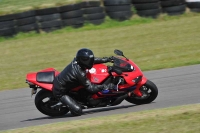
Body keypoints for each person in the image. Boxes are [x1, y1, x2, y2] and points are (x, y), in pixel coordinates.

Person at [52, 48, 115, 116]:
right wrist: (105, 86)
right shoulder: (79, 73)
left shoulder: (78, 61)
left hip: (66, 83)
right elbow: (91, 88)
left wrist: (106, 59)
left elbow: (92, 60)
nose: (91, 62)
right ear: (83, 61)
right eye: (88, 60)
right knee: (78, 111)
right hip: (60, 91)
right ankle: (62, 102)